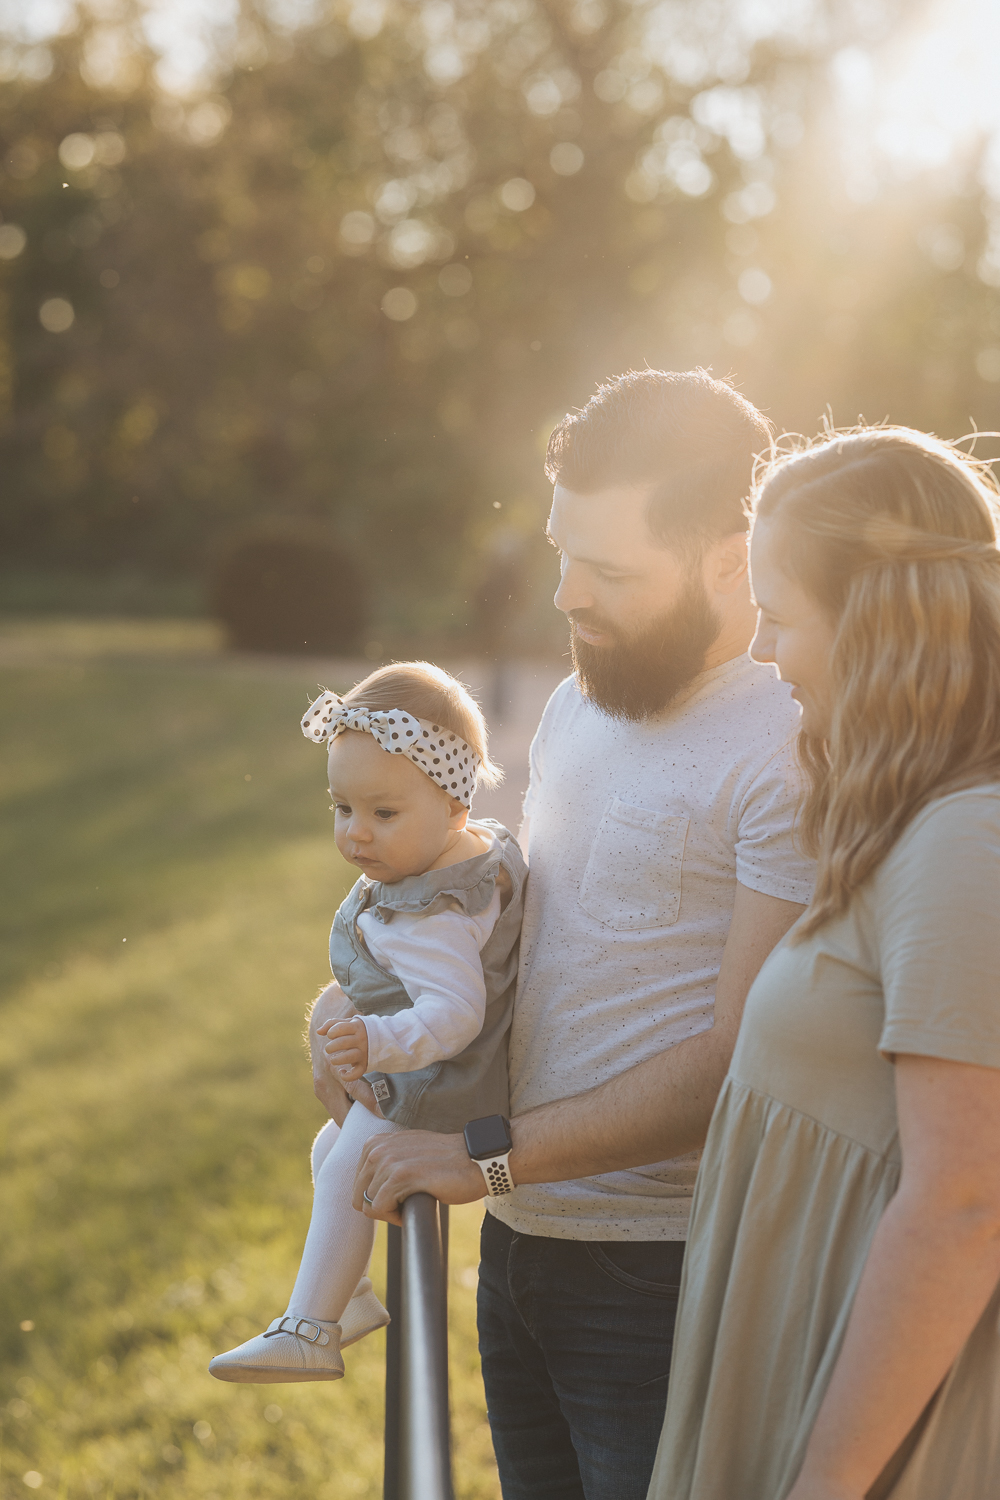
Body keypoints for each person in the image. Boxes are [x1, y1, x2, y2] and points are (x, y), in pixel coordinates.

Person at [342, 370, 816, 1499]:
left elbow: (739, 1057)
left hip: (667, 1270)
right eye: (562, 551)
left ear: (726, 552)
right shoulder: (577, 701)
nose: (566, 596)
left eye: (607, 571)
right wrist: (372, 1014)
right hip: (520, 1243)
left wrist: (483, 1154)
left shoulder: (791, 740)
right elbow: (517, 941)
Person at [647, 425, 1000, 1500]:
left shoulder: (963, 844)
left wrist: (825, 1483)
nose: (761, 651)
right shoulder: (913, 826)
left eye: (782, 615)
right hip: (793, 1376)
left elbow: (964, 1203)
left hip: (863, 1441)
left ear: (878, 627)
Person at [209, 661, 527, 1383]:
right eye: (342, 808)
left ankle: (309, 1328)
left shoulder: (428, 916)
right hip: (443, 1073)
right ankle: (348, 1297)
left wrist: (375, 1040)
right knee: (330, 1152)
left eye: (384, 814)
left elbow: (455, 1013)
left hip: (439, 1086)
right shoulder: (467, 857)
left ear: (453, 804)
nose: (356, 834)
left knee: (350, 1155)